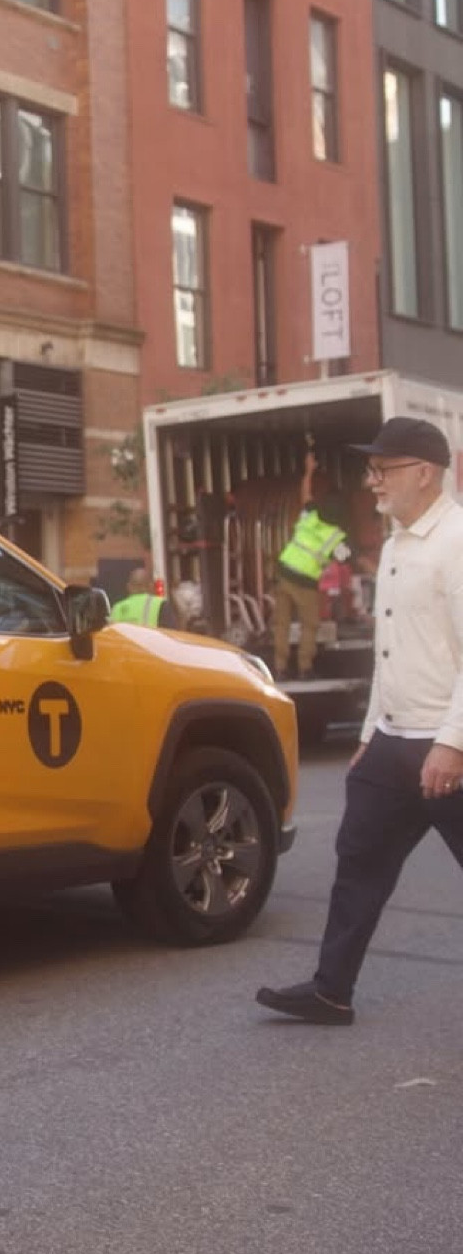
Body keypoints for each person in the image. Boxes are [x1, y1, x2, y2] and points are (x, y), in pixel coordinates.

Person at [257, 417, 463, 1025]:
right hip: (394, 743)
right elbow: (391, 651)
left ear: (424, 474)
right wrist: (373, 730)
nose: (372, 481)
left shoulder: (456, 541)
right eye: (372, 469)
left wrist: (451, 745)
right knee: (358, 864)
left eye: (383, 469)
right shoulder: (399, 544)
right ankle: (331, 990)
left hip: (445, 746)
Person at [271, 449, 349, 680]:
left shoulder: (310, 515)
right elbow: (346, 559)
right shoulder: (336, 537)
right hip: (304, 583)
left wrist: (308, 470)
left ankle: (280, 667)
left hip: (283, 573)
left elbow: (305, 493)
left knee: (281, 624)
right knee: (310, 625)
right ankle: (305, 667)